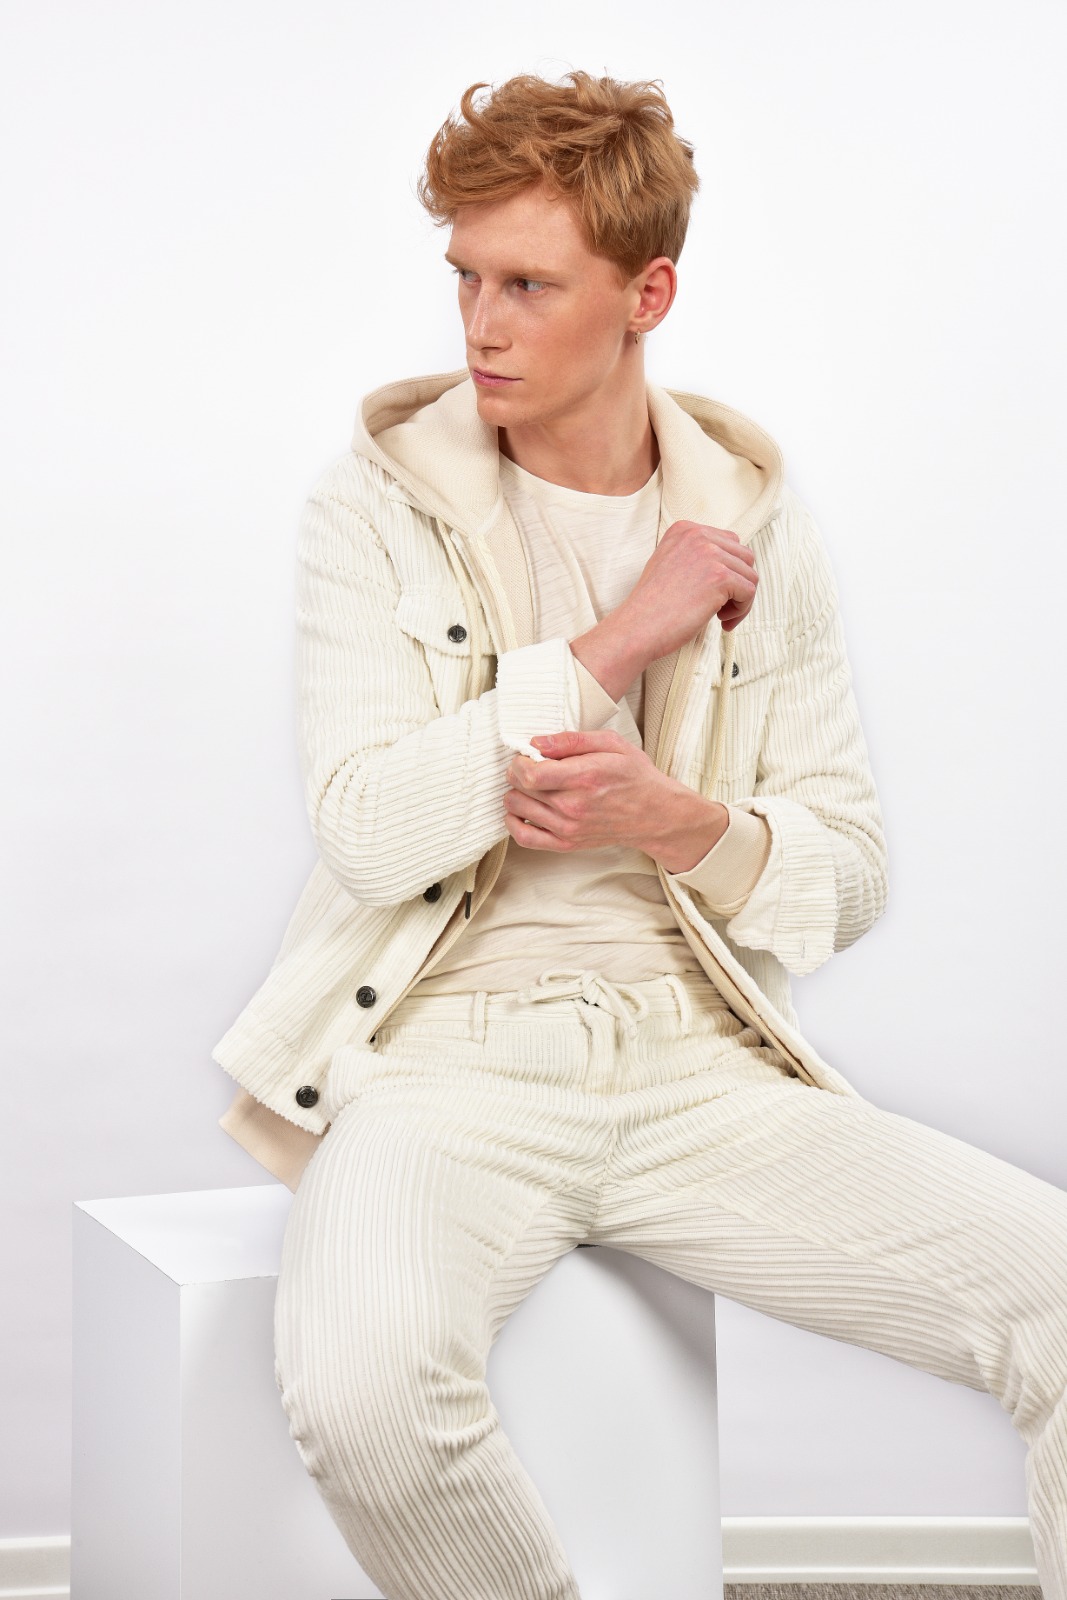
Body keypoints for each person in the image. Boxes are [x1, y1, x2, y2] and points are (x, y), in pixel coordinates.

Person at [211, 70, 1067, 1600]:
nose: (480, 326)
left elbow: (845, 876)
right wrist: (620, 641)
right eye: (466, 278)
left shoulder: (753, 523)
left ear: (646, 295)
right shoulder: (376, 508)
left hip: (693, 1068)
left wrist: (673, 820)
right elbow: (368, 832)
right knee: (364, 1399)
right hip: (448, 1067)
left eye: (529, 286)